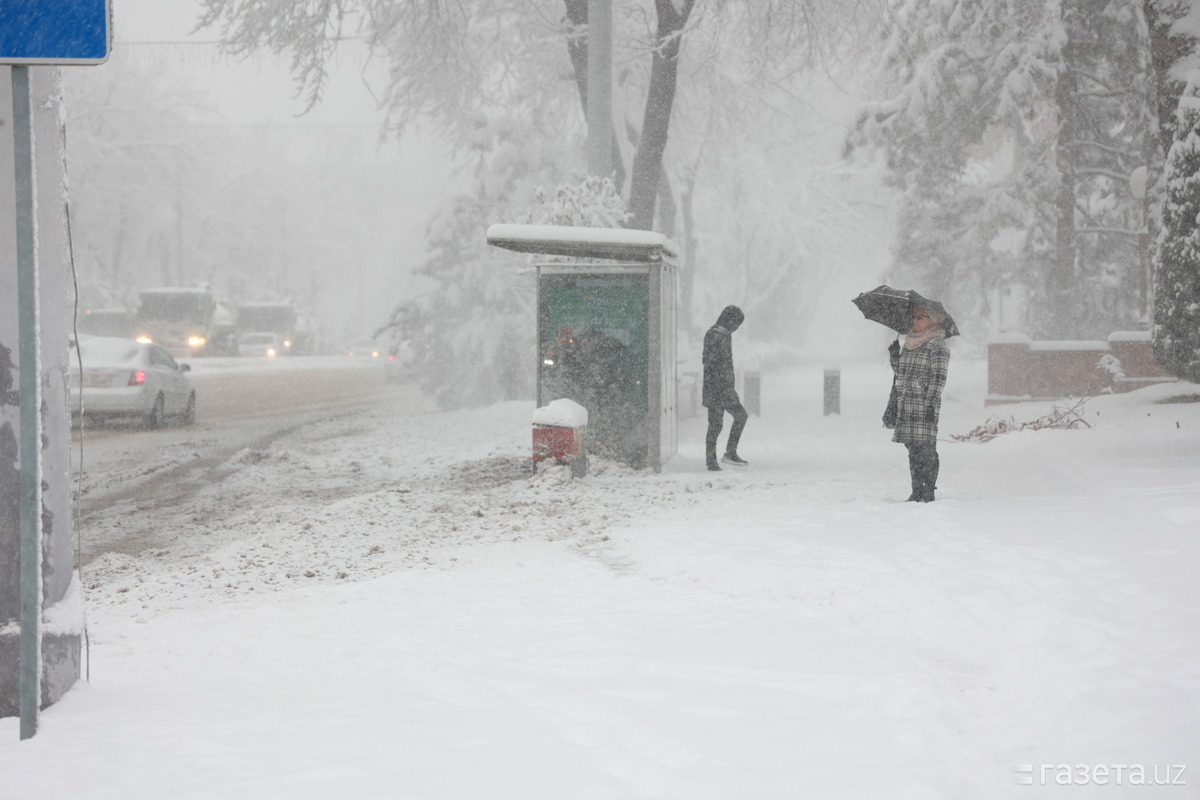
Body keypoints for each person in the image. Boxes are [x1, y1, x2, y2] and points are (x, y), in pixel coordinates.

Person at [891, 306, 950, 501]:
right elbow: (902, 372)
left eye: (920, 317)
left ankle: (927, 490)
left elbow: (938, 378)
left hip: (924, 405)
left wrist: (931, 404)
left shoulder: (937, 345)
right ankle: (916, 490)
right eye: (913, 317)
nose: (915, 321)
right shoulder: (909, 342)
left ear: (932, 320)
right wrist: (894, 358)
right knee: (912, 448)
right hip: (906, 403)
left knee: (926, 449)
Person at [702, 305, 748, 471]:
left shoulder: (717, 334)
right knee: (725, 421)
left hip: (718, 387)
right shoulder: (718, 336)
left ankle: (715, 459)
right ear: (729, 320)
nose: (736, 327)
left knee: (718, 423)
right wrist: (725, 386)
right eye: (736, 323)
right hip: (719, 388)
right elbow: (714, 364)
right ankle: (720, 456)